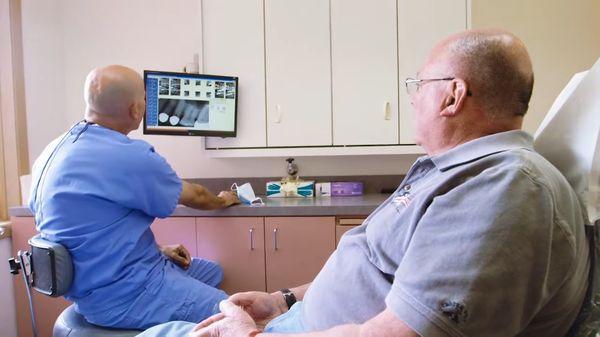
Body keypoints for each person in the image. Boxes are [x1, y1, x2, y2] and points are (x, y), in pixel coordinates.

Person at [138, 28, 591, 337]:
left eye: (419, 83)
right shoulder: (456, 174)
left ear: (452, 95)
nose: (413, 97)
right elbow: (382, 268)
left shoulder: (505, 188)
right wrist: (283, 301)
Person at [28, 65, 239, 329]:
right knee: (234, 314)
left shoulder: (52, 150)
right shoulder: (129, 155)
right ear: (135, 110)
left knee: (212, 271)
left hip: (96, 285)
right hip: (128, 293)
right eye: (144, 98)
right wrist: (223, 199)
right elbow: (196, 195)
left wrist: (159, 249)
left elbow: (79, 230)